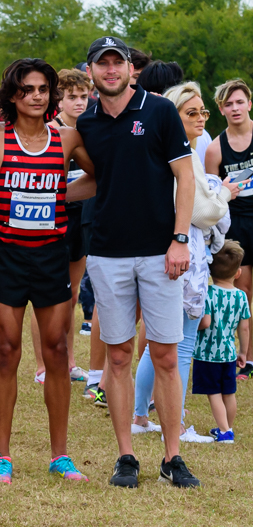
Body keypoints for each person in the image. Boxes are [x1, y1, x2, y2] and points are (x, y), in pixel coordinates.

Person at [0, 58, 94, 483]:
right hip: (8, 257)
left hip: (51, 257)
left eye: (43, 89)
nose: (35, 96)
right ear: (13, 94)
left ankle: (60, 455)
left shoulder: (66, 138)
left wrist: (57, 192)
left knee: (58, 352)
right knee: (8, 350)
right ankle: (2, 456)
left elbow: (100, 177)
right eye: (27, 89)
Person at [76, 36, 198, 488]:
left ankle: (172, 457)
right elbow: (95, 182)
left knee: (165, 355)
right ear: (90, 71)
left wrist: (180, 239)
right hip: (106, 254)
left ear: (130, 68)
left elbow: (184, 176)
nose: (110, 71)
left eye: (117, 63)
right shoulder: (86, 122)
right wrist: (38, 194)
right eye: (101, 64)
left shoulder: (160, 111)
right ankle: (126, 455)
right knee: (120, 354)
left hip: (159, 252)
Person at [131, 81, 238, 443]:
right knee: (181, 344)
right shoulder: (182, 154)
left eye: (203, 112)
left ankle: (142, 415)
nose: (200, 119)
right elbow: (204, 212)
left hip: (175, 252)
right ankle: (173, 426)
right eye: (191, 112)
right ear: (172, 116)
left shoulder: (181, 150)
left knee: (162, 342)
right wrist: (224, 191)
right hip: (182, 255)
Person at [29, 69, 92, 386]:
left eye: (83, 96)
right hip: (49, 218)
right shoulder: (49, 131)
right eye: (72, 97)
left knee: (72, 295)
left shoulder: (90, 130)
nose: (79, 102)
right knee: (44, 296)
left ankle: (68, 362)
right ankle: (42, 365)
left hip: (81, 216)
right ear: (59, 99)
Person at [206, 79, 253, 379]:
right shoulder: (215, 148)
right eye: (228, 104)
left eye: (240, 102)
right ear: (221, 109)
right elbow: (212, 196)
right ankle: (245, 358)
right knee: (243, 290)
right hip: (236, 223)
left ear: (249, 103)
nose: (235, 108)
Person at [194, 239, 250, 443]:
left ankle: (225, 431)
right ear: (237, 273)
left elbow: (205, 322)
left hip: (208, 353)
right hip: (229, 352)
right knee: (229, 392)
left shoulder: (208, 293)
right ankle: (227, 426)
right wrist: (243, 352)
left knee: (213, 392)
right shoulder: (242, 297)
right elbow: (244, 327)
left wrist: (195, 325)